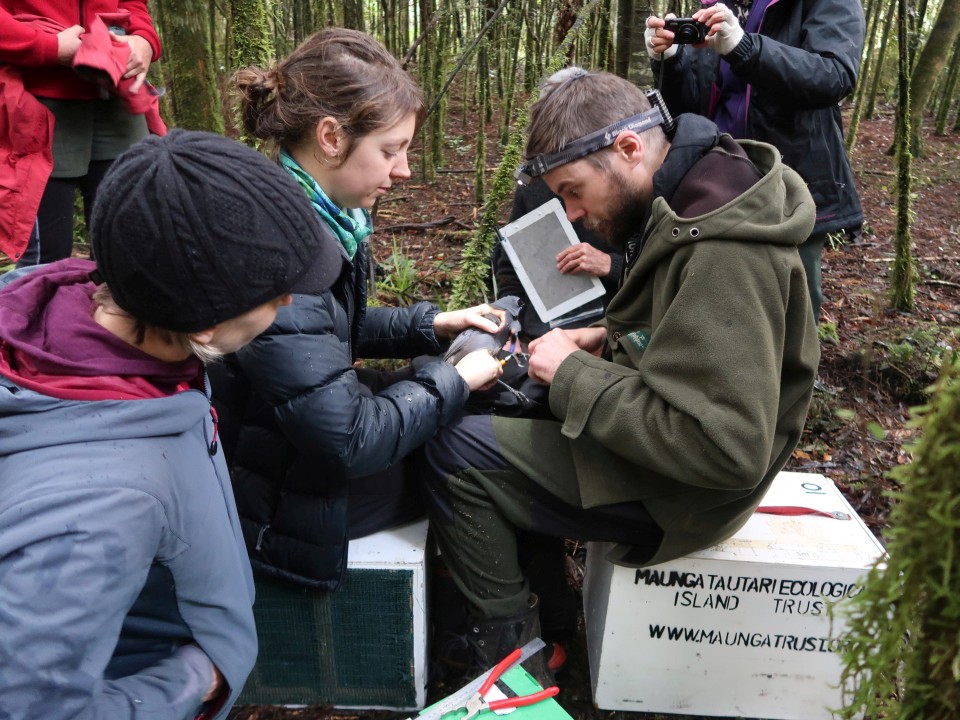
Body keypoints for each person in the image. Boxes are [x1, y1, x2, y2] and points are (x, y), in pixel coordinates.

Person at [416, 67, 821, 683]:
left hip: (687, 492)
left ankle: (509, 663)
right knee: (498, 406)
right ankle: (551, 626)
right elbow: (693, 334)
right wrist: (607, 336)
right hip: (667, 457)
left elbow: (725, 449)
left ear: (629, 148)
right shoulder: (694, 197)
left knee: (452, 450)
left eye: (574, 192)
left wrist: (575, 374)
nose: (573, 213)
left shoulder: (723, 251)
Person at [0, 129, 342, 719]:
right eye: (274, 292)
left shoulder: (117, 329)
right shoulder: (100, 508)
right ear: (206, 323)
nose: (288, 304)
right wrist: (192, 682)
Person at [209, 28, 504, 593]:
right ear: (331, 137)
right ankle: (470, 625)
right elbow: (350, 438)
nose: (404, 171)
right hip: (274, 498)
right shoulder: (282, 249)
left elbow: (320, 331)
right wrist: (455, 378)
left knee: (443, 406)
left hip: (282, 446)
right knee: (467, 463)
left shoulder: (313, 214)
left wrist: (432, 325)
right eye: (390, 150)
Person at [644, 0, 866, 323]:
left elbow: (835, 74)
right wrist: (670, 61)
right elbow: (691, 111)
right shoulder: (714, 7)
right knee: (716, 297)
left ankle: (793, 374)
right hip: (718, 181)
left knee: (790, 303)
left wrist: (744, 48)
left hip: (792, 182)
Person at [0, 0, 163, 265]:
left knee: (128, 250)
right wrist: (49, 47)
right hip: (35, 100)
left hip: (117, 93)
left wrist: (144, 40)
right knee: (45, 261)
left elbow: (133, 4)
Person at [493, 180, 624, 340]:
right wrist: (510, 322)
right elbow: (511, 268)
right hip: (537, 338)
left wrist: (610, 264)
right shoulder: (532, 185)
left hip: (607, 337)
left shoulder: (625, 184)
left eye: (575, 193)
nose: (571, 214)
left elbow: (656, 274)